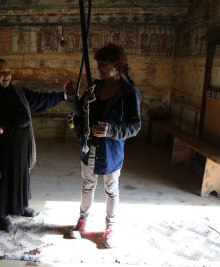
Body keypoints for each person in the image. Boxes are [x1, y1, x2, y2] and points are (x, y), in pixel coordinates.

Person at [0, 59, 65, 232]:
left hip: (20, 151)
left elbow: (43, 99)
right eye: (2, 72)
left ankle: (21, 206)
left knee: (20, 178)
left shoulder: (20, 93)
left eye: (9, 71)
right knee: (0, 182)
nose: (7, 75)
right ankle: (0, 212)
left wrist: (64, 95)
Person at [64, 43, 141, 248]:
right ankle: (82, 221)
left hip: (111, 150)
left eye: (103, 64)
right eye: (98, 64)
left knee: (111, 189)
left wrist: (112, 131)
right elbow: (80, 113)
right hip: (89, 145)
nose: (99, 68)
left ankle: (110, 227)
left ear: (117, 64)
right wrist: (72, 96)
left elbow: (135, 126)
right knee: (87, 185)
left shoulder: (128, 93)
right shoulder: (95, 87)